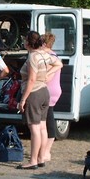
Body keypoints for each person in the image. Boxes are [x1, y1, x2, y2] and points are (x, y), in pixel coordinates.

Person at [16, 31, 62, 170]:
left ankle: (33, 160)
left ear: (28, 43)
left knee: (34, 128)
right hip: (44, 91)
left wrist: (23, 99)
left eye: (25, 40)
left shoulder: (33, 57)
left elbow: (31, 80)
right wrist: (47, 74)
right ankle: (41, 157)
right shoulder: (44, 54)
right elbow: (59, 64)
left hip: (34, 93)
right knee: (42, 127)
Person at [41, 33, 64, 163]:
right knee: (47, 120)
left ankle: (46, 151)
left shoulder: (49, 57)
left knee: (47, 121)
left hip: (49, 90)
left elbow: (47, 76)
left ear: (44, 44)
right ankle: (44, 150)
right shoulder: (54, 55)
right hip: (53, 90)